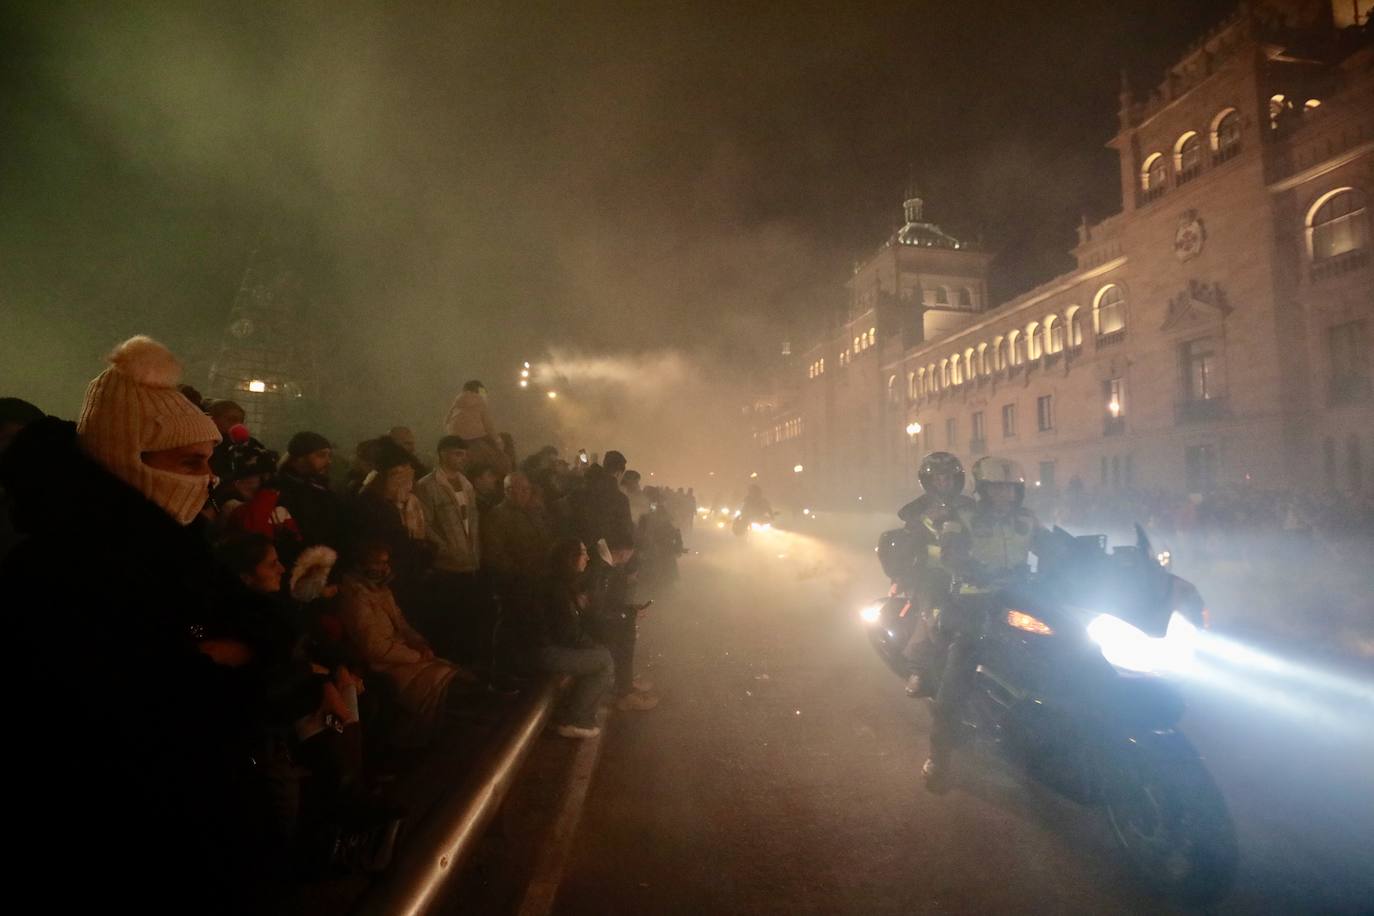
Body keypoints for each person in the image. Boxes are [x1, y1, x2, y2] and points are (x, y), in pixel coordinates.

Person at [0, 336, 283, 908]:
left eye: (209, 464)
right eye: (190, 463)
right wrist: (211, 660)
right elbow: (131, 706)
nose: (207, 481)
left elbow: (258, 632)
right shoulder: (57, 569)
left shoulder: (177, 547)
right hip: (130, 850)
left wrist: (212, 657)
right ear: (130, 457)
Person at [923, 455, 1049, 792]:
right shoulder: (962, 518)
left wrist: (1094, 559)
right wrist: (972, 568)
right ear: (983, 490)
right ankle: (939, 756)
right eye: (996, 489)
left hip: (1018, 601)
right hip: (974, 601)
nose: (1004, 495)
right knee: (958, 673)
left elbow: (1053, 546)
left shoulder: (1026, 520)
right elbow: (951, 553)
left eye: (1010, 489)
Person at [336, 541, 472, 747]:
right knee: (441, 680)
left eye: (385, 562)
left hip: (402, 655)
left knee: (452, 673)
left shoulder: (380, 590)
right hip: (383, 664)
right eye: (378, 563)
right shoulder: (354, 598)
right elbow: (374, 647)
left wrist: (419, 643)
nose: (384, 568)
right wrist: (416, 656)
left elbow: (401, 623)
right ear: (360, 564)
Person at [895, 452, 975, 697]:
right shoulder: (917, 511)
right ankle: (918, 670)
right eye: (938, 480)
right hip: (932, 574)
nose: (944, 484)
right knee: (932, 619)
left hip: (967, 572)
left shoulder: (970, 506)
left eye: (948, 479)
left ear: (957, 480)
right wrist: (903, 576)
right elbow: (908, 547)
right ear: (928, 482)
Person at [414, 436, 486, 664]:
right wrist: (444, 550)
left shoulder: (466, 484)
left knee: (469, 619)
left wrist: (474, 552)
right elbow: (424, 524)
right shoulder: (427, 486)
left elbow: (472, 520)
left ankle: (467, 664)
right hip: (446, 566)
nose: (462, 458)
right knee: (450, 619)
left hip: (469, 561)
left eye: (463, 454)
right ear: (442, 453)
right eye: (457, 453)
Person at [534, 538, 616, 738]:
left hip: (546, 647)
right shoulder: (557, 589)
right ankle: (574, 719)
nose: (588, 558)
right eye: (583, 553)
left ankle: (572, 714)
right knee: (604, 661)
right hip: (544, 652)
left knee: (601, 655)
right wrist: (595, 647)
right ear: (570, 558)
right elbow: (568, 634)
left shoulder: (561, 583)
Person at [275, 431, 343, 562]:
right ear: (299, 457)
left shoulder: (321, 488)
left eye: (329, 455)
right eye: (321, 455)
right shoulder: (282, 489)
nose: (329, 461)